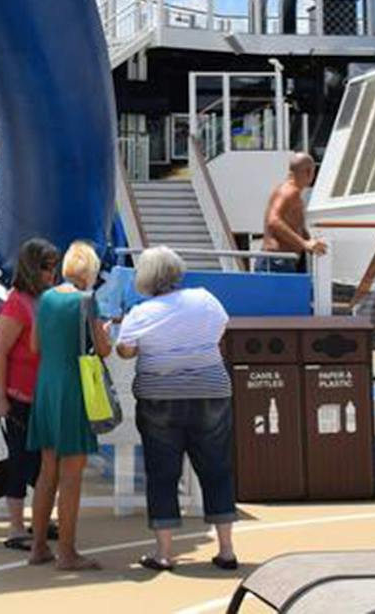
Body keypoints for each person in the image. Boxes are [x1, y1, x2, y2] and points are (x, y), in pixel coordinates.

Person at [113, 246, 239, 573]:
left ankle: (165, 553)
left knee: (162, 473)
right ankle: (226, 550)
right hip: (211, 391)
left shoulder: (140, 313)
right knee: (216, 469)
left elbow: (125, 350)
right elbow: (220, 330)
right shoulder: (206, 299)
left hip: (160, 397)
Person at [28, 239, 110, 571]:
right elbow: (103, 350)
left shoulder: (45, 299)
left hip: (46, 385)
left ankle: (37, 548)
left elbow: (35, 345)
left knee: (47, 470)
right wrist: (103, 333)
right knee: (71, 476)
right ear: (89, 271)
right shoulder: (87, 301)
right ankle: (67, 552)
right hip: (74, 388)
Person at [0, 238, 58, 550]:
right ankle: (16, 527)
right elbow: (1, 351)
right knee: (20, 461)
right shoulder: (18, 303)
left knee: (43, 462)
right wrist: (0, 397)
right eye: (47, 268)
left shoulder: (46, 300)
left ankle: (40, 518)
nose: (52, 274)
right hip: (20, 395)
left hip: (44, 395)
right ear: (34, 268)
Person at [260, 152, 327, 271]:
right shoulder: (290, 192)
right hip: (278, 261)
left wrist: (311, 242)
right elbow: (273, 221)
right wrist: (304, 244)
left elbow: (297, 225)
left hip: (283, 260)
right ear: (309, 172)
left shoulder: (293, 193)